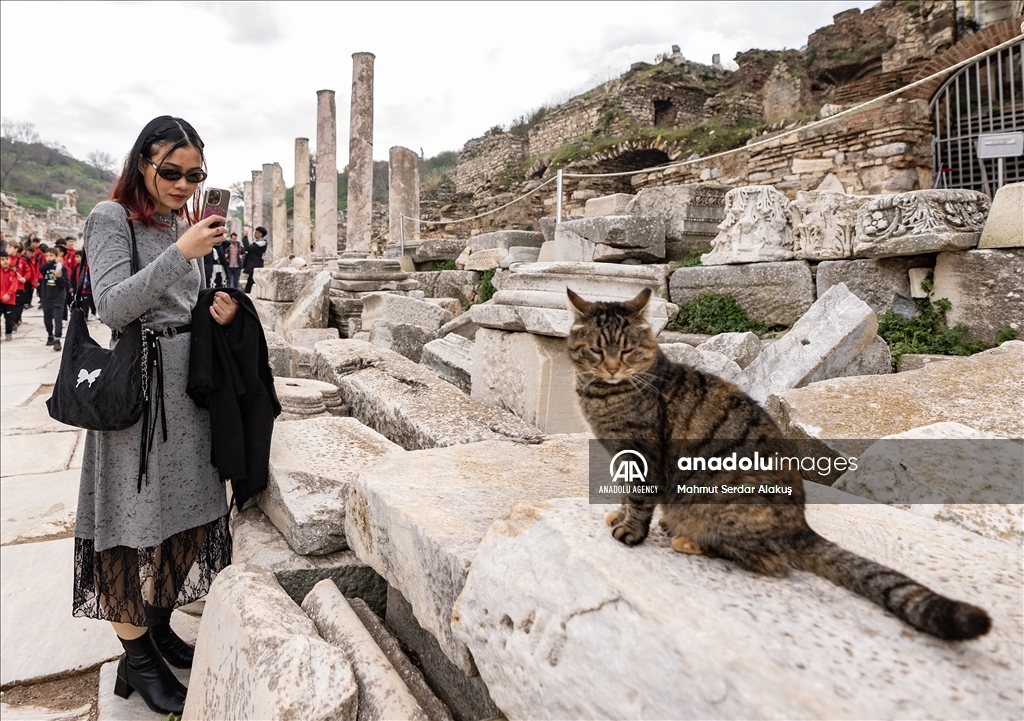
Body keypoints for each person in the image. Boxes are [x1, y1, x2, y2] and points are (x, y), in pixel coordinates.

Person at [75, 116, 236, 716]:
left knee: (192, 513)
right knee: (122, 525)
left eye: (195, 175)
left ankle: (159, 623)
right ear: (142, 162)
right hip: (138, 391)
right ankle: (136, 654)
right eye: (171, 172)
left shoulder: (179, 222)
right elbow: (113, 305)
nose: (183, 184)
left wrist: (211, 310)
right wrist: (180, 253)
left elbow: (174, 298)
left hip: (187, 383)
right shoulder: (109, 217)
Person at [39, 247, 66, 350]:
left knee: (58, 318)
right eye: (47, 255)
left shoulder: (62, 268)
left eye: (51, 255)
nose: (49, 258)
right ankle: (50, 335)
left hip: (58, 298)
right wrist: (52, 262)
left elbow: (64, 283)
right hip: (46, 297)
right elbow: (41, 268)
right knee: (47, 318)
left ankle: (57, 338)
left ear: (56, 256)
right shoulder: (45, 267)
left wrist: (59, 277)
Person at [1, 250, 25, 341]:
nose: (5, 261)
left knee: (9, 319)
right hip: (1, 298)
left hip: (10, 300)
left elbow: (14, 285)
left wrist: (9, 294)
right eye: (2, 259)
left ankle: (8, 332)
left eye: (7, 259)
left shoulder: (13, 272)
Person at [241, 227, 267, 293]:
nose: (254, 234)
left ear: (261, 234)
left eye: (256, 232)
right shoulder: (257, 243)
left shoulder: (261, 243)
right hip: (252, 264)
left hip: (255, 264)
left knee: (252, 283)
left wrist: (245, 237)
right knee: (250, 282)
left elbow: (247, 248)